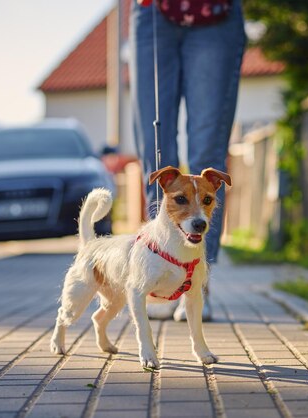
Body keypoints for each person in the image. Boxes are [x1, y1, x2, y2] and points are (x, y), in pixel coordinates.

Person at [129, 0, 246, 320]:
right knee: (157, 155)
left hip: (216, 14)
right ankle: (162, 278)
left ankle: (195, 286)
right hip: (153, 12)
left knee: (207, 156)